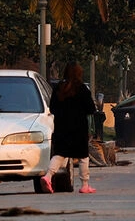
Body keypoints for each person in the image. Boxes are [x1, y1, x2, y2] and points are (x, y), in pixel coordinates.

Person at [41, 62, 98, 194]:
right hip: (79, 128)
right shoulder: (82, 89)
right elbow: (91, 109)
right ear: (79, 74)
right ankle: (85, 185)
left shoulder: (58, 88)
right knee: (83, 156)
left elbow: (53, 108)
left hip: (61, 128)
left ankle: (48, 176)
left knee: (60, 154)